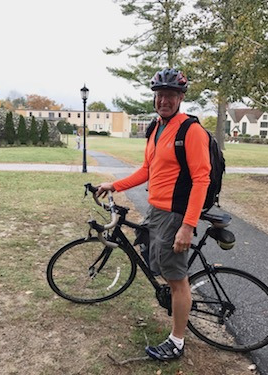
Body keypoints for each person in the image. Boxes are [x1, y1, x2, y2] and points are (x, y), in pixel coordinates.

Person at [96, 68, 211, 361]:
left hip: (175, 214)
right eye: (160, 95)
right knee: (150, 250)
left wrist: (187, 226)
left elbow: (201, 180)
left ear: (181, 98)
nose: (164, 100)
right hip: (156, 210)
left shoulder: (191, 131)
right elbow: (148, 170)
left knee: (176, 278)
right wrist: (115, 184)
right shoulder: (156, 128)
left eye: (171, 95)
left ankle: (177, 341)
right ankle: (173, 308)